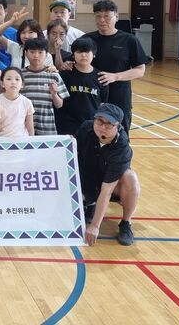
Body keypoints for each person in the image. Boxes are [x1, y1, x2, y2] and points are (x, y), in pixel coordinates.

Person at [76, 103, 141, 246]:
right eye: (99, 121)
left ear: (117, 126)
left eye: (109, 124)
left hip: (109, 184)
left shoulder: (121, 149)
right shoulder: (86, 128)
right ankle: (89, 202)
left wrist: (95, 226)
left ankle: (126, 223)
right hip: (89, 179)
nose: (102, 127)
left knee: (131, 178)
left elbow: (107, 191)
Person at [81, 0, 147, 132]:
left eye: (107, 16)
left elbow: (140, 70)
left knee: (120, 135)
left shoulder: (129, 40)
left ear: (116, 17)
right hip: (91, 97)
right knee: (90, 135)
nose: (102, 20)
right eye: (98, 16)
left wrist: (115, 76)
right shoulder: (87, 39)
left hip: (119, 97)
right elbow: (76, 62)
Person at [57, 37, 108, 136]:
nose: (83, 55)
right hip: (67, 124)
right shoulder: (65, 74)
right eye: (79, 52)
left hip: (91, 125)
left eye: (87, 52)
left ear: (94, 54)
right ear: (73, 55)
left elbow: (102, 103)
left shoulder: (101, 77)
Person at [20, 38, 69, 136]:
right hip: (23, 124)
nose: (36, 55)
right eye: (32, 52)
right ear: (26, 53)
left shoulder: (54, 75)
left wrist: (54, 94)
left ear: (46, 54)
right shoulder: (19, 75)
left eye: (40, 52)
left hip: (46, 124)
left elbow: (59, 105)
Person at [0, 67, 34, 138]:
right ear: (2, 83)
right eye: (9, 79)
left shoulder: (27, 102)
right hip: (1, 142)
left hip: (21, 141)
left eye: (17, 79)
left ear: (22, 84)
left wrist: (31, 142)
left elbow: (30, 128)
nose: (13, 82)